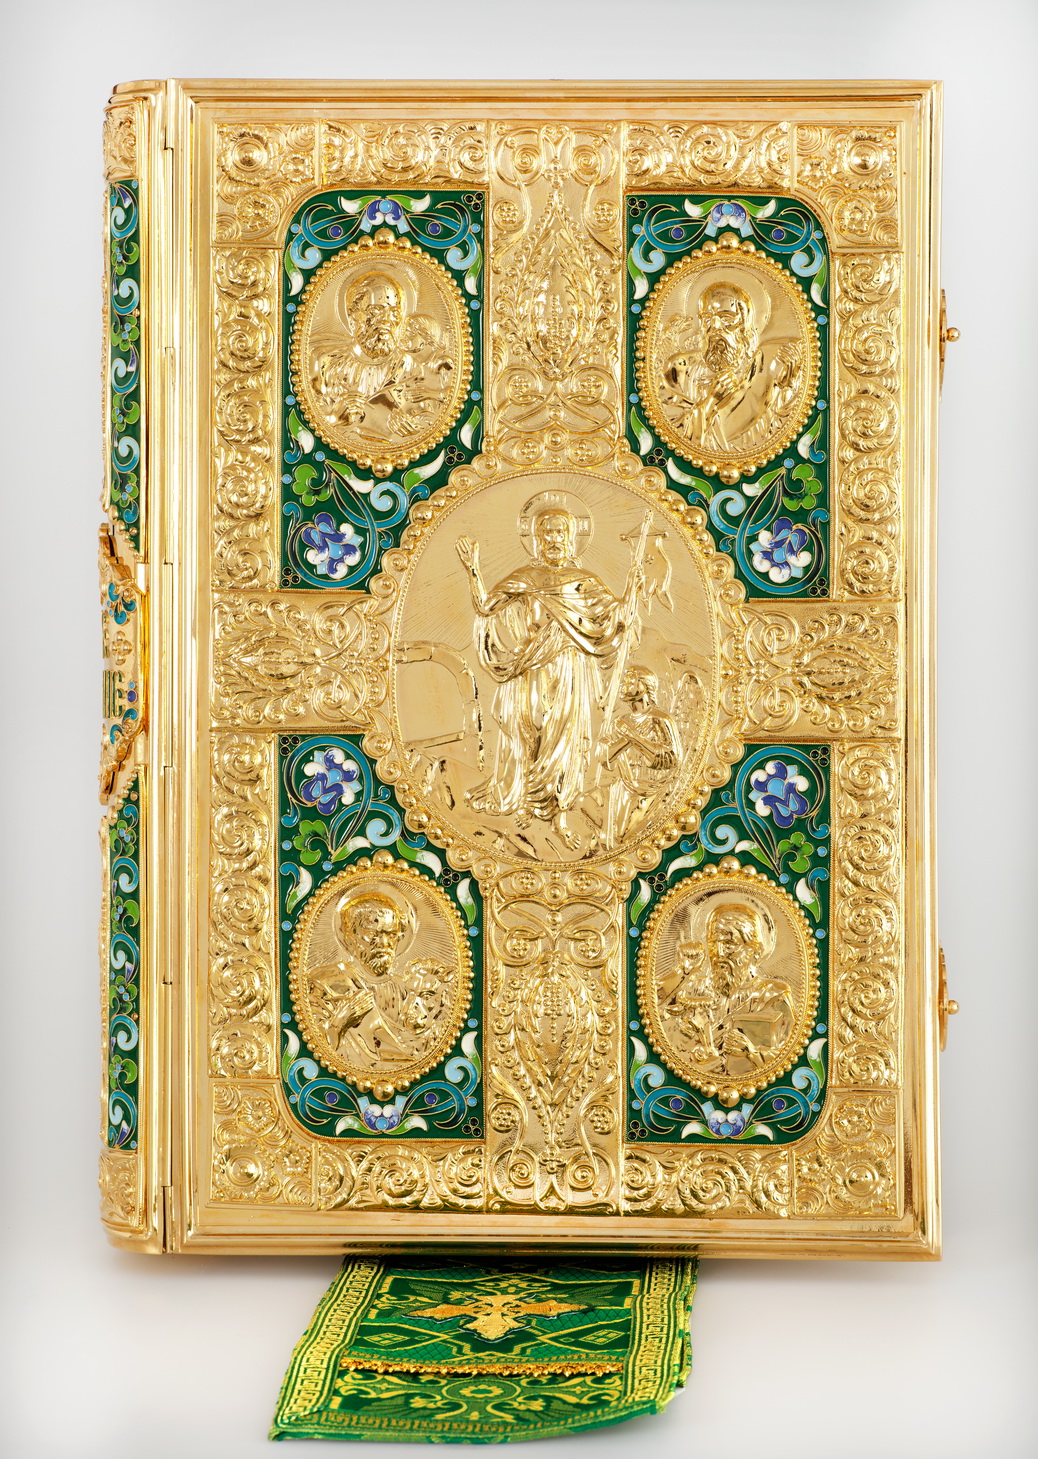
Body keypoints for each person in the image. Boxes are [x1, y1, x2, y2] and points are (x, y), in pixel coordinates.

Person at [455, 499, 644, 852]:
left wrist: (632, 590)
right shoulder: (525, 578)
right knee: (527, 730)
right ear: (537, 538)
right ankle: (527, 802)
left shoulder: (585, 582)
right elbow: (485, 606)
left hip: (569, 669)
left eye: (561, 532)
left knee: (564, 741)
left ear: (571, 538)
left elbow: (613, 619)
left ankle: (560, 818)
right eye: (547, 533)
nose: (554, 539)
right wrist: (473, 569)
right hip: (529, 668)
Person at [308, 889, 448, 1072]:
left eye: (391, 934)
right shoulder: (324, 982)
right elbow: (311, 1045)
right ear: (350, 936)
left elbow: (421, 1045)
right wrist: (339, 1023)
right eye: (372, 933)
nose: (383, 943)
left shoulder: (406, 990)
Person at [661, 279, 803, 454]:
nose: (715, 327)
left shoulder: (762, 365)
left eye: (726, 317)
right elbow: (671, 433)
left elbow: (781, 431)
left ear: (744, 323)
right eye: (707, 318)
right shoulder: (680, 370)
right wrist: (711, 402)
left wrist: (786, 387)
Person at [310, 269, 453, 440]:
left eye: (394, 313)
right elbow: (308, 419)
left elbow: (431, 417)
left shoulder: (409, 367)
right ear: (353, 315)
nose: (386, 320)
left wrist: (412, 428)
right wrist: (333, 419)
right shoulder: (326, 364)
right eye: (376, 310)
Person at [662, 901, 794, 1076]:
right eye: (713, 942)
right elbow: (656, 1017)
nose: (719, 952)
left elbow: (791, 1052)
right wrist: (683, 973)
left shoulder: (772, 995)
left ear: (755, 950)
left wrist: (751, 1053)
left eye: (729, 943)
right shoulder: (694, 989)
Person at [603, 666, 681, 843]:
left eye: (630, 679)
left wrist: (633, 736)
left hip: (649, 789)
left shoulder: (659, 719)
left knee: (622, 837)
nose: (624, 684)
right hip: (623, 784)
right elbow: (606, 758)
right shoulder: (621, 722)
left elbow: (671, 759)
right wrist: (627, 737)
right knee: (584, 803)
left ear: (645, 686)